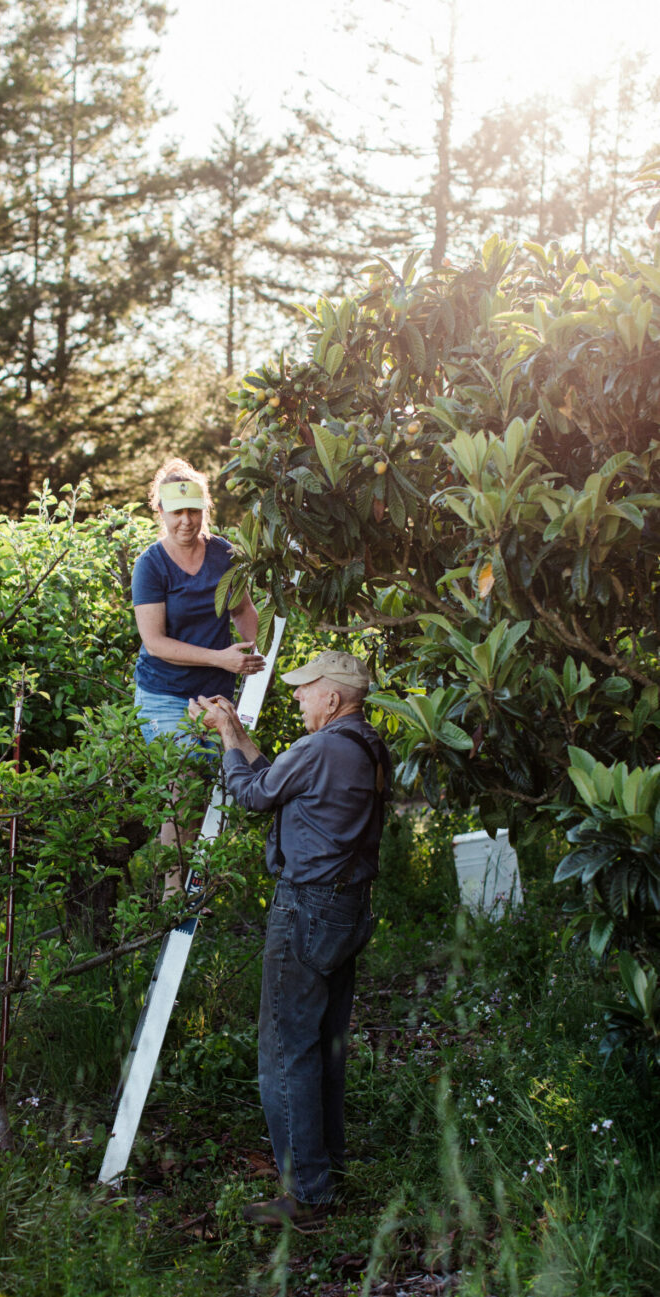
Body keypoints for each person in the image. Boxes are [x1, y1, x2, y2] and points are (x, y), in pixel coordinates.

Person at [189, 651, 391, 1228]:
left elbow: (252, 795)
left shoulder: (324, 747)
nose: (297, 696)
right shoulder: (365, 746)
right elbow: (280, 782)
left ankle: (306, 1196)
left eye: (306, 689)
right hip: (346, 908)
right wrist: (241, 735)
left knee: (286, 1051)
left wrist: (226, 733)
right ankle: (327, 1174)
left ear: (333, 698)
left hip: (307, 907)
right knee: (324, 1045)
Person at [132, 459, 264, 895]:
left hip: (215, 693)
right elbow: (156, 643)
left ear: (205, 509)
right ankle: (173, 893)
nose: (186, 521)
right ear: (161, 512)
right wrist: (222, 660)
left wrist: (255, 660)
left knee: (217, 784)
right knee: (183, 782)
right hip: (165, 693)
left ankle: (201, 885)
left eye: (195, 511)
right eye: (177, 513)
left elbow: (243, 611)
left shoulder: (224, 553)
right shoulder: (151, 566)